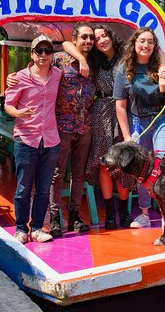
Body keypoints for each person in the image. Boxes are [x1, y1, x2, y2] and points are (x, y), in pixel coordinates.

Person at [62, 25, 134, 229]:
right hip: (101, 113)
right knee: (104, 163)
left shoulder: (125, 57)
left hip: (123, 110)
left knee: (124, 163)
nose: (101, 40)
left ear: (112, 36)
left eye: (104, 36)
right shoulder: (94, 58)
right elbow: (66, 43)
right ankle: (110, 213)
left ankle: (124, 211)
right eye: (96, 37)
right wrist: (83, 59)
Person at [113, 27, 165, 229]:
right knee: (143, 167)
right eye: (142, 41)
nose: (146, 45)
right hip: (138, 121)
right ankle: (144, 213)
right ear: (134, 44)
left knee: (162, 162)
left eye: (150, 42)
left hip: (163, 118)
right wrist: (127, 137)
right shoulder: (123, 69)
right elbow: (120, 105)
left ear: (155, 46)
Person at [3, 35, 61, 244]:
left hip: (51, 140)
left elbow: (73, 48)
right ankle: (21, 229)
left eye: (47, 51)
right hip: (26, 138)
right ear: (32, 54)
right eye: (39, 51)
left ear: (52, 55)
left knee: (44, 188)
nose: (43, 55)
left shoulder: (58, 74)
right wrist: (18, 113)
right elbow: (8, 105)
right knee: (23, 188)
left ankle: (36, 228)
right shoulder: (19, 77)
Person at [47, 23, 97, 237]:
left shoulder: (96, 63)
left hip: (84, 126)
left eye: (91, 38)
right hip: (61, 126)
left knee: (79, 175)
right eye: (84, 37)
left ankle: (74, 215)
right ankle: (55, 217)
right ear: (75, 39)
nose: (88, 41)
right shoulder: (59, 59)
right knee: (57, 174)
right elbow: (35, 72)